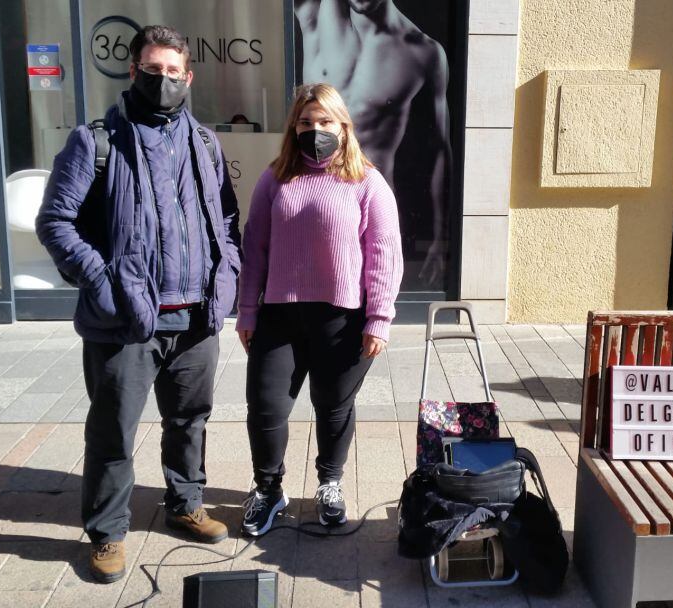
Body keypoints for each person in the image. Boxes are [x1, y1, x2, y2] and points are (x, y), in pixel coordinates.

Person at [36, 25, 241, 584]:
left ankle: (184, 503)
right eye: (153, 72)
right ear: (133, 72)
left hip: (195, 317)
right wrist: (104, 285)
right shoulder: (95, 140)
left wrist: (227, 274)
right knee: (113, 431)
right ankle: (107, 532)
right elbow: (56, 222)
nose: (164, 82)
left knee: (189, 420)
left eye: (174, 73)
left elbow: (224, 216)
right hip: (124, 321)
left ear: (189, 77)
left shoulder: (203, 141)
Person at [236, 83, 403, 535]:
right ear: (294, 127)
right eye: (306, 122)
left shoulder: (366, 181)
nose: (316, 130)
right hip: (280, 317)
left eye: (325, 121)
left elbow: (384, 253)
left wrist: (379, 318)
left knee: (332, 407)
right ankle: (269, 491)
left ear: (343, 127)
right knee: (267, 408)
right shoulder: (275, 178)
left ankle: (329, 483)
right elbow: (255, 249)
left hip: (341, 319)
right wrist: (247, 312)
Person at [295, 0, 450, 288]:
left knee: (371, 304)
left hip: (369, 207)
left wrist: (440, 235)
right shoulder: (314, 15)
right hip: (312, 200)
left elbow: (438, 150)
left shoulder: (423, 52)